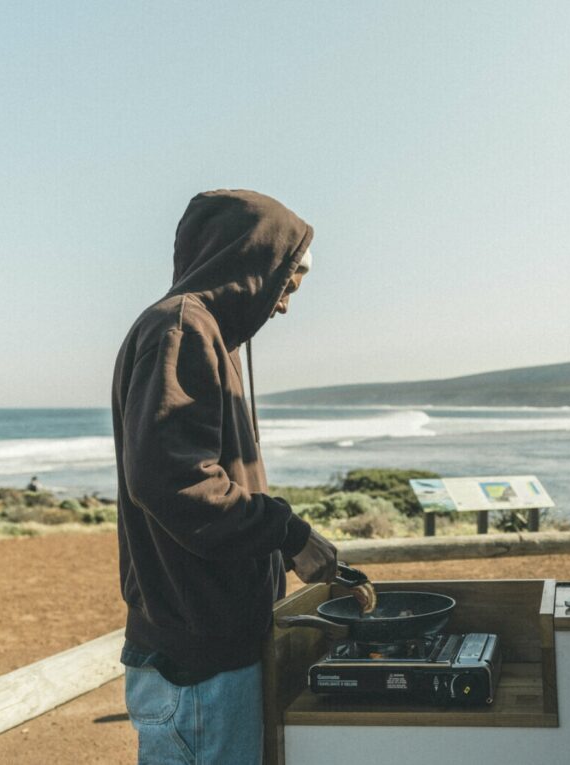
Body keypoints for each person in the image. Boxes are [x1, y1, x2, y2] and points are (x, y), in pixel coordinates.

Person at [112, 189, 341, 765]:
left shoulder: (203, 334)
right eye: (286, 283)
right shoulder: (182, 328)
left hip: (208, 651)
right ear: (247, 262)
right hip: (198, 667)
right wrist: (287, 532)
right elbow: (176, 483)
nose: (284, 304)